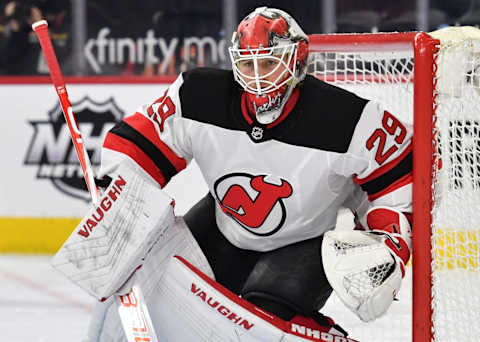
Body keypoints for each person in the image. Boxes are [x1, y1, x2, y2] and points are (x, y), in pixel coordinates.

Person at [85, 6, 413, 341]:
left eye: (269, 63)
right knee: (152, 283)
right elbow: (139, 143)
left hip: (306, 242)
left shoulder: (346, 118)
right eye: (247, 63)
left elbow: (402, 176)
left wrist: (390, 243)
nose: (257, 76)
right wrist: (115, 195)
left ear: (297, 59)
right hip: (224, 227)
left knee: (262, 327)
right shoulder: (198, 95)